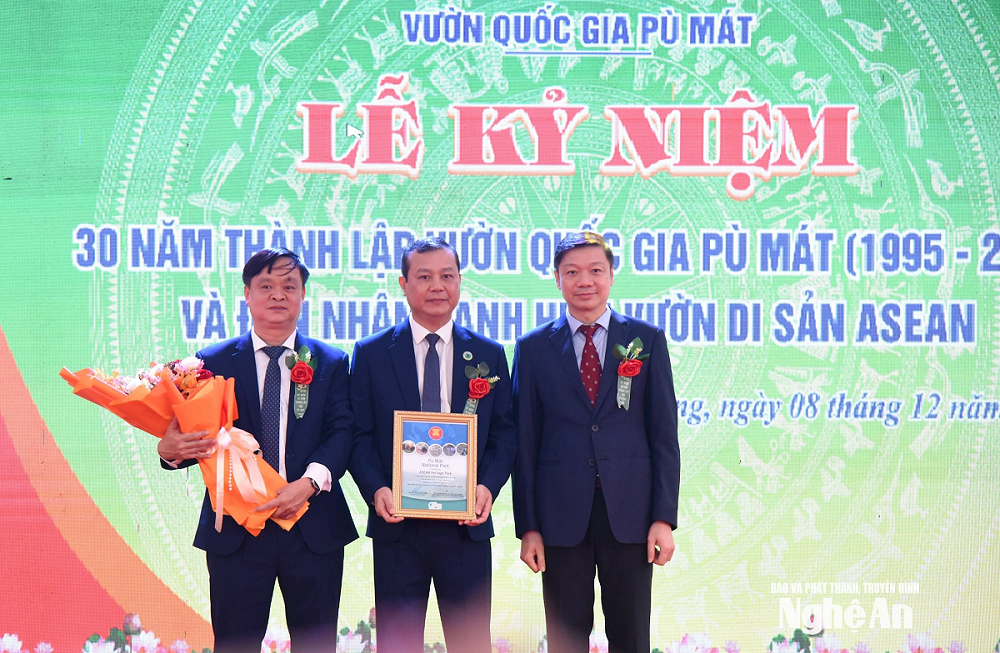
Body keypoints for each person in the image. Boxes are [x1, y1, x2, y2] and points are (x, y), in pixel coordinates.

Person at [158, 248, 357, 652]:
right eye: (266, 286)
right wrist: (170, 450)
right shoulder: (210, 362)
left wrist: (308, 483)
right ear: (247, 294)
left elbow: (343, 432)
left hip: (312, 526)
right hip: (237, 530)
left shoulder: (331, 361)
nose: (278, 295)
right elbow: (194, 436)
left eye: (289, 286)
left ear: (303, 295)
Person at [512, 231, 680, 653]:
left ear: (611, 275)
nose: (584, 281)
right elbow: (525, 443)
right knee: (566, 640)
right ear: (557, 279)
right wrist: (528, 527)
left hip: (631, 515)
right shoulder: (533, 348)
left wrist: (663, 517)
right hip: (560, 517)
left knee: (631, 637)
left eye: (595, 270)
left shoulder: (646, 340)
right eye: (572, 272)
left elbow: (663, 436)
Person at [349, 237, 517, 653]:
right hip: (397, 527)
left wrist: (487, 487)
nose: (437, 286)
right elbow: (358, 434)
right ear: (403, 284)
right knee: (397, 644)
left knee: (471, 644)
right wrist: (376, 488)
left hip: (465, 527)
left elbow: (505, 433)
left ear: (460, 282)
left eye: (447, 276)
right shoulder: (371, 353)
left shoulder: (489, 353)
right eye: (424, 277)